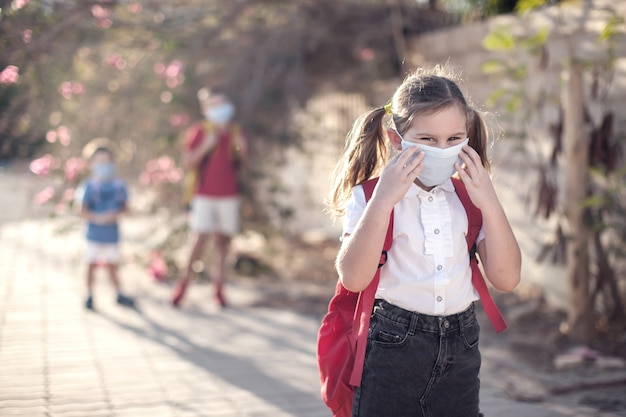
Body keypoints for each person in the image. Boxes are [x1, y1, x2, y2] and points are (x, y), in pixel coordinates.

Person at [326, 66, 522, 417]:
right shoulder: (370, 196)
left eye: (453, 139)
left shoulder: (469, 198)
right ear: (396, 139)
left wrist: (490, 201)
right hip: (392, 347)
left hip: (462, 346)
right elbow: (353, 278)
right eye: (427, 140)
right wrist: (384, 199)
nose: (442, 150)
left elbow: (507, 279)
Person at [171, 87, 248, 308]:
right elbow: (188, 162)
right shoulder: (200, 131)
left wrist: (241, 149)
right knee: (198, 240)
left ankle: (219, 290)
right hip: (204, 194)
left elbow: (243, 162)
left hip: (229, 194)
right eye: (214, 105)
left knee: (223, 243)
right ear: (206, 109)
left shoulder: (235, 132)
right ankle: (182, 286)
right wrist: (207, 145)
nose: (219, 109)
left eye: (222, 103)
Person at [79, 143, 134, 310]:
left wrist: (114, 215)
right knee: (91, 264)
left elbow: (127, 208)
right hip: (94, 233)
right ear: (92, 164)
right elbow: (81, 209)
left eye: (106, 161)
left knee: (112, 264)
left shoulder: (119, 185)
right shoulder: (89, 186)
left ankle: (118, 293)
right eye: (99, 162)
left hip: (112, 233)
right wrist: (97, 218)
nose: (103, 166)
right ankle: (89, 294)